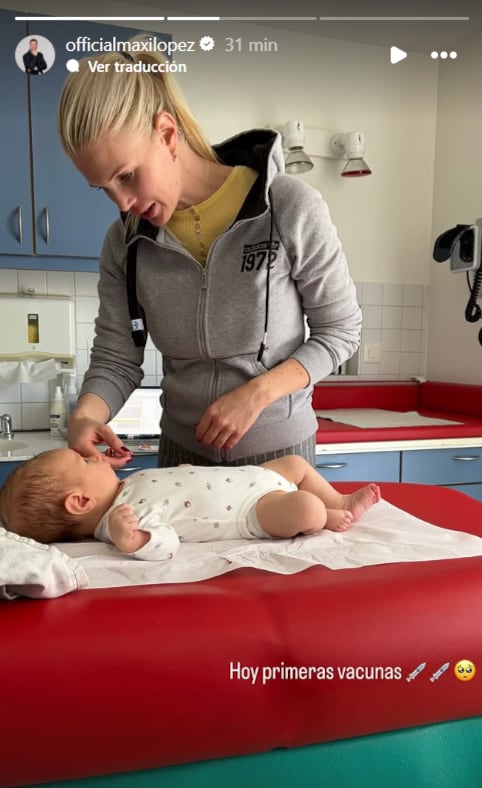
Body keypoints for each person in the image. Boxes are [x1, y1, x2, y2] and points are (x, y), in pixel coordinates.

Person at [57, 46, 362, 471]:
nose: (122, 204)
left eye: (126, 175)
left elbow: (340, 332)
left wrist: (257, 394)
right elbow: (116, 357)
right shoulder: (124, 244)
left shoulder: (290, 208)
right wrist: (87, 415)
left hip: (283, 458)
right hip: (183, 460)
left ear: (166, 133)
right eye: (104, 188)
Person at [0, 451, 381, 560]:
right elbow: (167, 540)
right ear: (80, 502)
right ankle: (327, 515)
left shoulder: (125, 486)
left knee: (295, 464)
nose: (97, 458)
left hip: (252, 476)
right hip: (253, 508)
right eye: (85, 464)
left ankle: (341, 499)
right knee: (306, 509)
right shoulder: (123, 519)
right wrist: (135, 540)